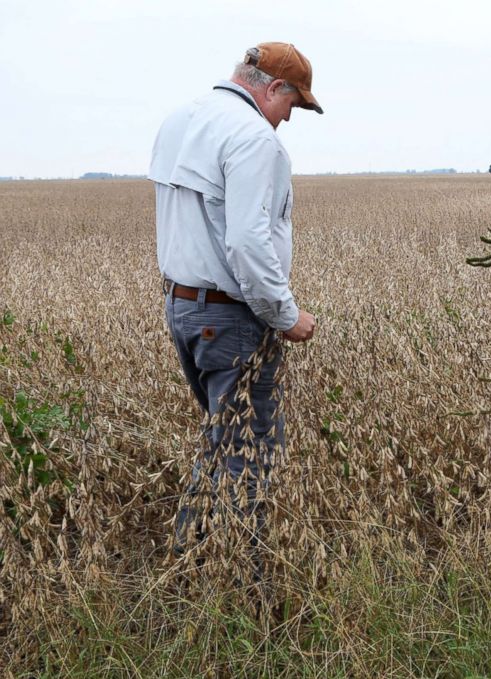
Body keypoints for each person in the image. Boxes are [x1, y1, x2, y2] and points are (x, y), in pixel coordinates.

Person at [149, 42, 321, 553]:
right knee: (252, 452)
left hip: (183, 308)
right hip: (232, 318)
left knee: (222, 439)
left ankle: (190, 561)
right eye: (293, 106)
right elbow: (247, 242)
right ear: (272, 89)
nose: (288, 120)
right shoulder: (253, 138)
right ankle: (251, 587)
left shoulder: (180, 120)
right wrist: (286, 315)